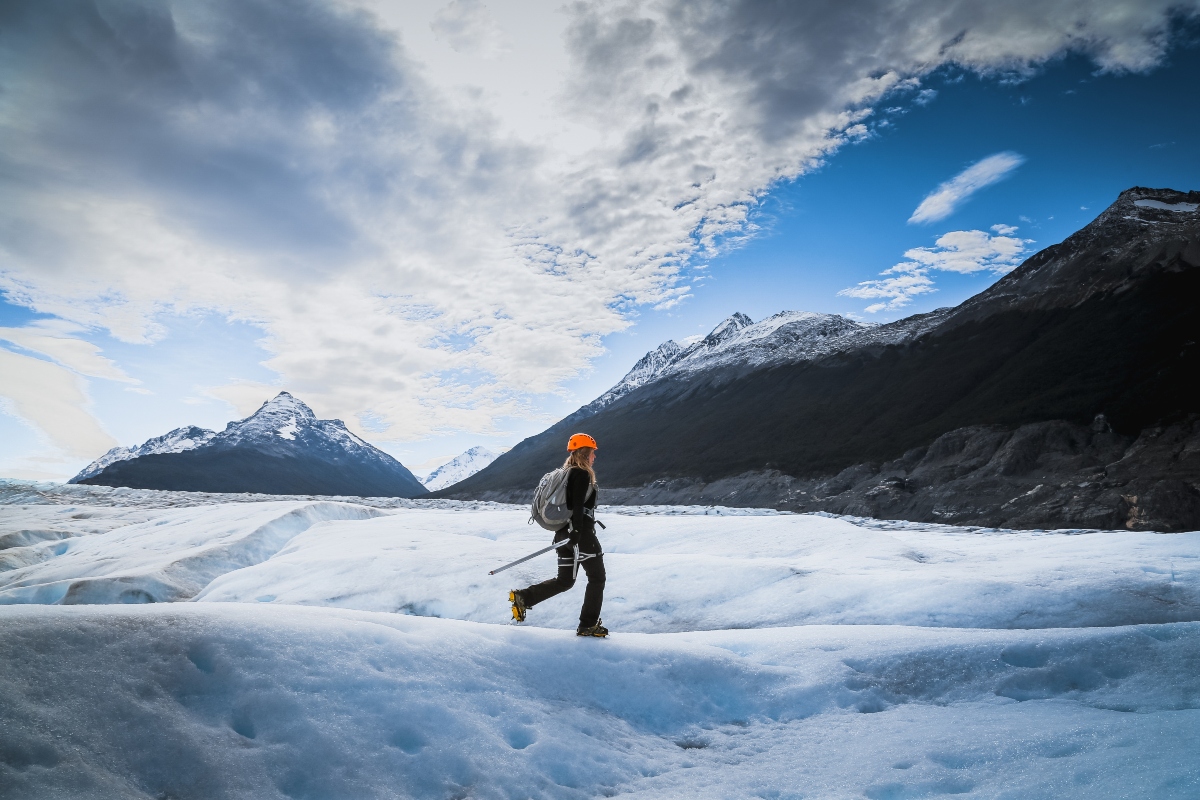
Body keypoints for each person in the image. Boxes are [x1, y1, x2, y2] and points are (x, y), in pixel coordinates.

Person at [510, 433, 608, 637]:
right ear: (585, 453)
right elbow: (579, 507)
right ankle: (588, 625)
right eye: (593, 453)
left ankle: (524, 598)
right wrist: (579, 532)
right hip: (580, 537)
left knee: (565, 581)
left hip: (563, 536)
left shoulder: (566, 473)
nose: (595, 457)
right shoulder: (581, 474)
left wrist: (572, 535)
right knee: (597, 578)